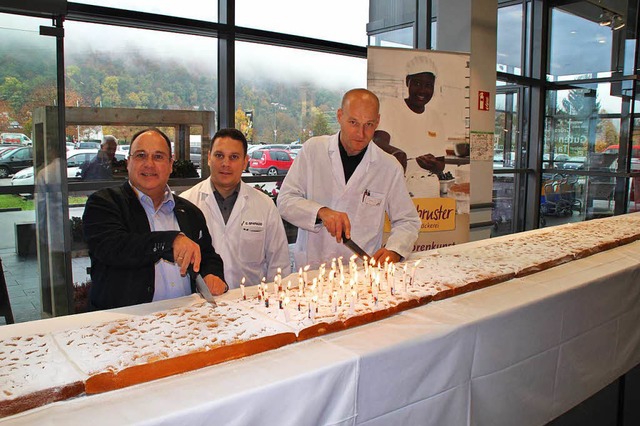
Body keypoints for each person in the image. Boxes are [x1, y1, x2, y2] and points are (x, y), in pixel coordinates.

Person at [83, 128, 226, 310]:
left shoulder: (189, 211)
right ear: (128, 162)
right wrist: (169, 242)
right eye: (141, 155)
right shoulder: (104, 203)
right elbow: (113, 248)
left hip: (186, 322)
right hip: (124, 327)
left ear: (170, 164)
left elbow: (206, 255)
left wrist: (212, 274)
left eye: (158, 157)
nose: (149, 164)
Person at [277, 88, 420, 269]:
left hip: (360, 271)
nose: (360, 134)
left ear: (377, 122)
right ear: (339, 116)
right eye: (353, 122)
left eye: (368, 124)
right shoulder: (313, 150)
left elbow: (407, 221)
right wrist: (321, 212)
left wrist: (395, 250)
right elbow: (285, 201)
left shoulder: (389, 167)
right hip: (312, 269)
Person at [181, 128, 290, 288]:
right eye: (219, 156)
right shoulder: (186, 203)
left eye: (234, 157)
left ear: (245, 161)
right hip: (200, 305)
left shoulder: (264, 205)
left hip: (251, 303)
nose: (225, 163)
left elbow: (279, 263)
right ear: (209, 158)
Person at [377, 55, 446, 176]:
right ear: (407, 81)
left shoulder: (434, 117)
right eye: (417, 83)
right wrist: (396, 153)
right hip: (396, 184)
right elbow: (377, 141)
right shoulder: (390, 107)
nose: (422, 91)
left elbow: (441, 164)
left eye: (428, 86)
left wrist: (432, 163)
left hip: (428, 188)